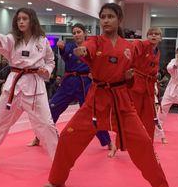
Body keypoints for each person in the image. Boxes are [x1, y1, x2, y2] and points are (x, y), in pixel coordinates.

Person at [44, 3, 174, 187]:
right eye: (103, 17)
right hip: (95, 101)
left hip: (121, 101)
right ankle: (56, 178)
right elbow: (88, 48)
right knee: (67, 138)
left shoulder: (128, 47)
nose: (105, 20)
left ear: (119, 19)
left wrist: (129, 76)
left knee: (143, 142)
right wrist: (83, 52)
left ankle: (161, 186)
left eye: (110, 16)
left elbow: (130, 76)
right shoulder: (95, 41)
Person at [0, 8, 58, 165]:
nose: (21, 22)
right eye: (19, 19)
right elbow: (4, 40)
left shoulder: (42, 41)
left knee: (46, 124)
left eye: (25, 18)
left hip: (35, 85)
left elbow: (51, 61)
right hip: (14, 86)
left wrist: (47, 70)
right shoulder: (13, 38)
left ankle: (58, 160)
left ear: (32, 20)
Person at [29, 23, 116, 156]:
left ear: (85, 33)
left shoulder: (92, 46)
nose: (76, 35)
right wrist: (61, 48)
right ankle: (39, 137)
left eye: (78, 32)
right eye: (74, 33)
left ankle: (107, 141)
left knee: (92, 114)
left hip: (85, 83)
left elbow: (99, 61)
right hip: (69, 83)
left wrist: (96, 73)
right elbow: (64, 55)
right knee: (52, 108)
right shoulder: (69, 47)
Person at [129, 27, 162, 142]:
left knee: (150, 115)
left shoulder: (157, 52)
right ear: (147, 36)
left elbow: (154, 69)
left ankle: (148, 141)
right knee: (132, 115)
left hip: (149, 86)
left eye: (157, 34)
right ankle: (122, 143)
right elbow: (130, 55)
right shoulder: (140, 44)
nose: (154, 36)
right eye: (151, 34)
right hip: (136, 84)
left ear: (160, 38)